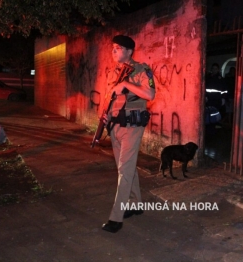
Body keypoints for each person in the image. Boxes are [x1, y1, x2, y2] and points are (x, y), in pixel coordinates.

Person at [101, 35, 155, 233]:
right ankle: (136, 204)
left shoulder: (142, 69)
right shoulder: (113, 72)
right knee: (125, 168)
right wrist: (105, 116)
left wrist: (126, 85)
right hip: (115, 125)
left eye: (118, 48)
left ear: (129, 51)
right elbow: (110, 97)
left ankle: (116, 218)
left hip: (132, 126)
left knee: (124, 170)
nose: (113, 51)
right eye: (112, 48)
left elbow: (150, 94)